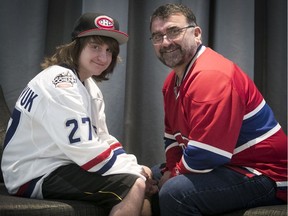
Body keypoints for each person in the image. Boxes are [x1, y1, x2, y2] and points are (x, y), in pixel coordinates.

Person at [1, 12, 158, 216]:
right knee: (133, 184)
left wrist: (132, 164)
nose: (103, 57)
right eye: (95, 46)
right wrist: (135, 171)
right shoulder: (60, 83)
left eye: (109, 50)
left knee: (141, 183)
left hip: (58, 163)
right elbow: (85, 151)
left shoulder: (88, 85)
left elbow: (102, 138)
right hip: (31, 173)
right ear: (77, 45)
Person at [149, 3, 287, 216]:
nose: (165, 42)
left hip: (265, 173)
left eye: (173, 31)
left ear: (196, 34)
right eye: (157, 36)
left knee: (175, 192)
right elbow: (173, 140)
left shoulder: (213, 75)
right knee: (151, 175)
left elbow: (207, 154)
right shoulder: (171, 83)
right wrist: (169, 170)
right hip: (227, 165)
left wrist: (174, 175)